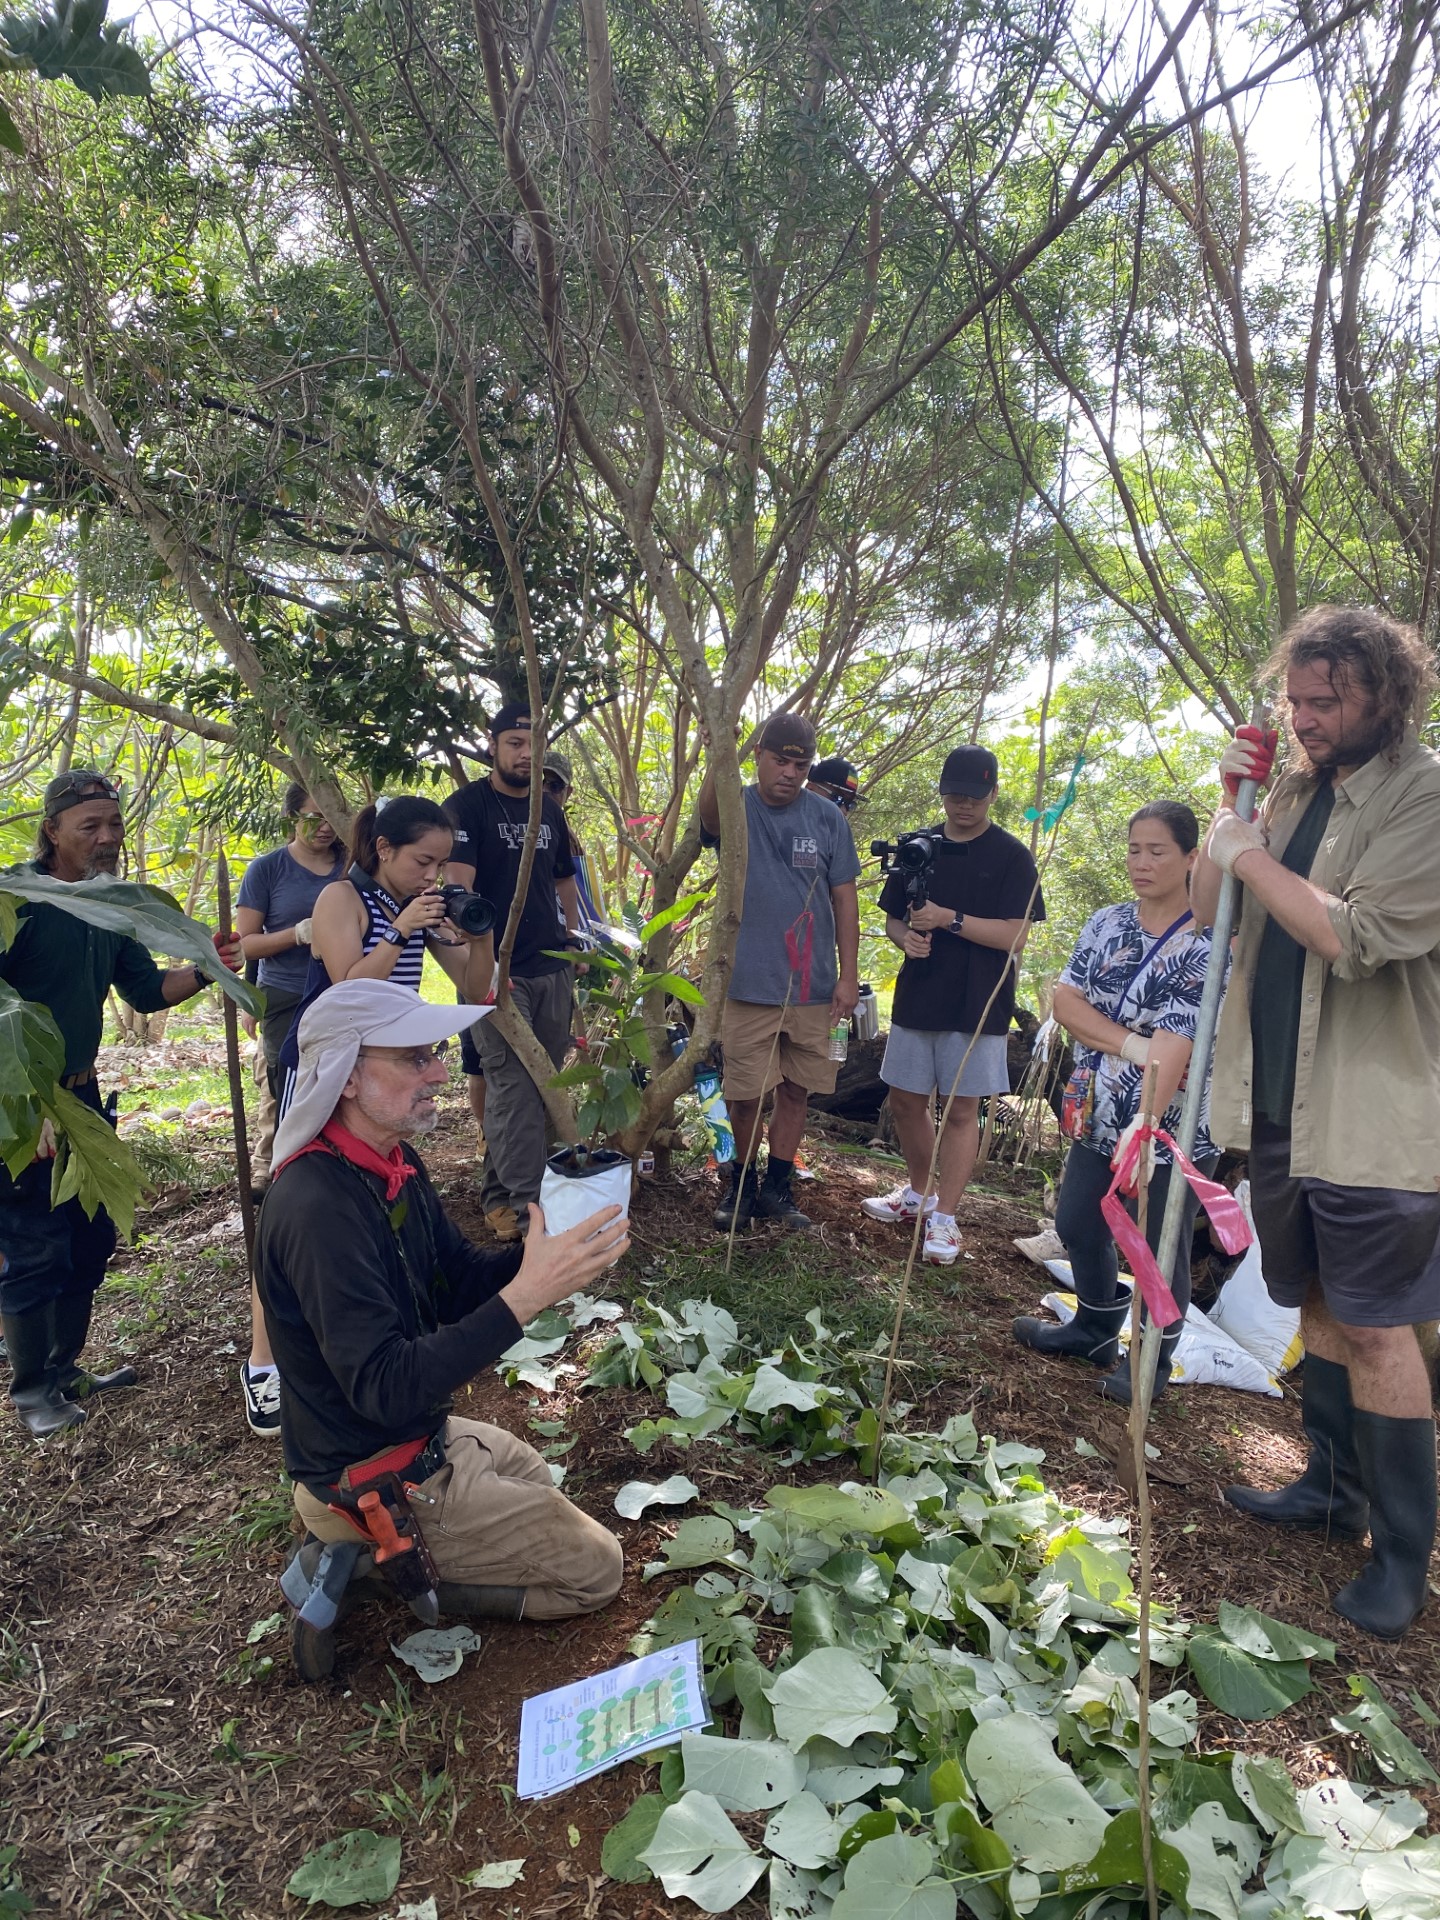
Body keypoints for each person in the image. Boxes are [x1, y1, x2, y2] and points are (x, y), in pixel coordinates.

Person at [258, 980, 628, 1680]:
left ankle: (393, 1543)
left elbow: (454, 1280)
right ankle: (381, 1566)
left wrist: (545, 1259)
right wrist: (525, 1298)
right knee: (597, 1570)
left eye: (433, 1053)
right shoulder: (316, 1208)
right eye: (413, 1058)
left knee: (536, 1474)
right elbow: (386, 1389)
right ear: (345, 1077)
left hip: (420, 1438)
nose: (438, 1071)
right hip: (369, 1465)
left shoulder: (389, 1161)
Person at [1198, 606, 1440, 1641]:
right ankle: (1329, 1489)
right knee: (1319, 1307)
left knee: (1379, 1322)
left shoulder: (1425, 794)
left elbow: (1366, 937)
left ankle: (1401, 1559)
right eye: (1294, 700)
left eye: (1325, 700)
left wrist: (1251, 856)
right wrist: (1232, 810)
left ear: (1384, 692)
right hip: (1277, 1097)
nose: (1304, 719)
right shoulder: (1291, 791)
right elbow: (1215, 901)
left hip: (1376, 1105)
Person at [0, 770, 240, 1436]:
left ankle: (65, 1366)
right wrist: (25, 1103)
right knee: (33, 1245)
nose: (107, 838)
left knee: (88, 1238)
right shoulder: (14, 900)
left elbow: (146, 991)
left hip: (84, 1105)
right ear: (51, 831)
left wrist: (210, 966)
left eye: (114, 825)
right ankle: (31, 1392)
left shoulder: (111, 906)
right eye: (91, 827)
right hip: (27, 1110)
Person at [1011, 801, 1218, 1398]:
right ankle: (1096, 1324)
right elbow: (1066, 1004)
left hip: (1169, 1124)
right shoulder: (1106, 923)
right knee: (1078, 1218)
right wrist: (1133, 1045)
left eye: (1157, 852)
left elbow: (1177, 1046)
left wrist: (1148, 1115)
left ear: (1188, 859)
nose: (1142, 863)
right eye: (1134, 849)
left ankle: (1150, 1360)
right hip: (1099, 1107)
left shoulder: (1206, 946)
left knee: (1160, 1240)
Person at [863, 747, 1042, 1264]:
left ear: (993, 794)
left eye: (976, 796)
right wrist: (905, 939)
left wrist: (949, 920)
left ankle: (946, 1217)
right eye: (955, 795)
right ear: (942, 793)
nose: (964, 805)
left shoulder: (1011, 856)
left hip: (979, 1000)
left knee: (963, 1109)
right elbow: (896, 917)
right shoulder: (918, 846)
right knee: (905, 1099)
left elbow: (1017, 936)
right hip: (920, 991)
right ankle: (918, 1193)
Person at [697, 711, 861, 1231]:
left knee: (796, 1090)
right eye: (779, 760)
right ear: (759, 758)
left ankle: (778, 1188)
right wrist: (715, 759)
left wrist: (848, 974)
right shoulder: (737, 804)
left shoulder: (827, 818)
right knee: (743, 1094)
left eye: (800, 764)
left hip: (812, 985)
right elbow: (709, 823)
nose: (788, 772)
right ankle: (740, 1185)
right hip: (747, 981)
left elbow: (844, 896)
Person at [444, 706, 584, 1242]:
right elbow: (459, 893)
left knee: (545, 1081)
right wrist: (481, 967)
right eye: (514, 742)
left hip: (551, 967)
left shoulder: (548, 811)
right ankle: (523, 1212)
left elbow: (565, 883)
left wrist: (577, 941)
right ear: (494, 745)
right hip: (498, 975)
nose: (525, 753)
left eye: (533, 743)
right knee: (512, 1085)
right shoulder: (467, 808)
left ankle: (505, 1193)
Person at [234, 783, 345, 1438]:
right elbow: (244, 945)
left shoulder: (351, 872)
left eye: (332, 818)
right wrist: (299, 933)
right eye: (312, 816)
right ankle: (281, 1183)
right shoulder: (269, 869)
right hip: (285, 1004)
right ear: (293, 816)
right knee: (289, 1107)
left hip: (342, 1005)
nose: (323, 828)